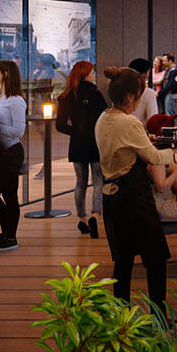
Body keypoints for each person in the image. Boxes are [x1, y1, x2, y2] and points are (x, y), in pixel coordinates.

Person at [97, 67, 177, 303]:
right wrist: (176, 151)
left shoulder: (103, 118)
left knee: (123, 260)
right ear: (130, 96)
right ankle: (158, 316)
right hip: (133, 199)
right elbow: (155, 157)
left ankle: (122, 318)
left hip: (110, 197)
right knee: (155, 258)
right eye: (139, 95)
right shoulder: (129, 123)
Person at [56, 60, 107, 238]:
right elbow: (105, 120)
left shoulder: (65, 97)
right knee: (98, 180)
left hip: (77, 145)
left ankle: (82, 219)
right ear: (86, 74)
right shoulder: (96, 94)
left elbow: (60, 126)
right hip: (95, 143)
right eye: (91, 72)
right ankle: (95, 214)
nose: (93, 75)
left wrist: (76, 132)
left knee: (80, 183)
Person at [0, 60, 26, 251]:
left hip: (10, 153)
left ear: (6, 74)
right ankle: (6, 233)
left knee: (9, 195)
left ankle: (10, 237)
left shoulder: (15, 100)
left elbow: (19, 130)